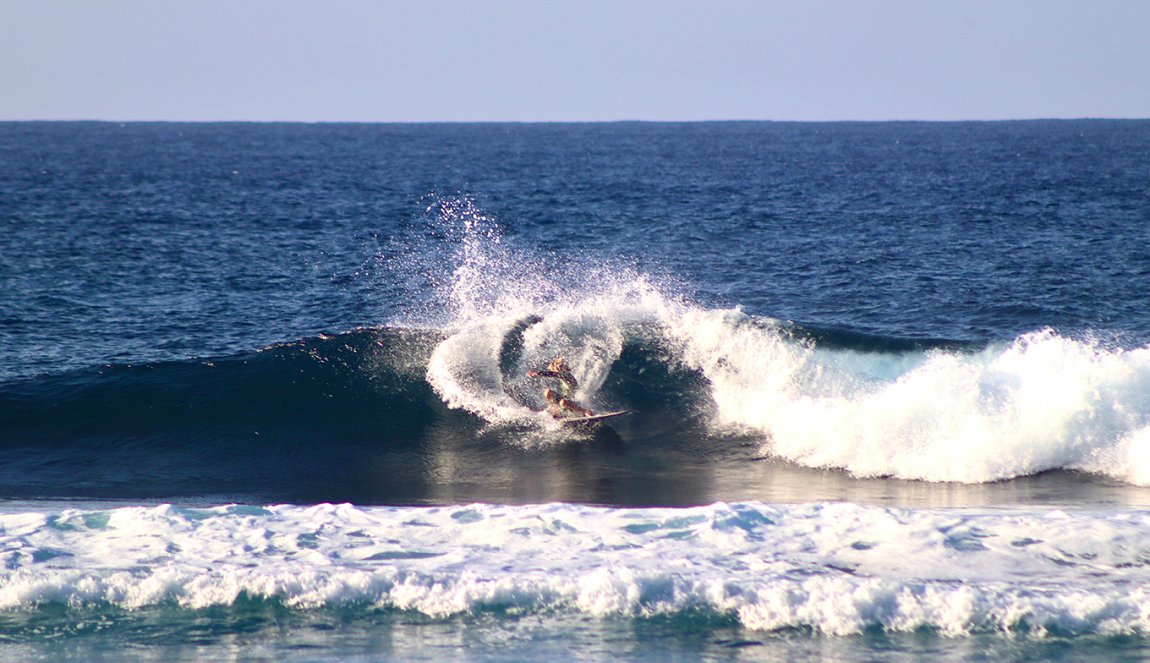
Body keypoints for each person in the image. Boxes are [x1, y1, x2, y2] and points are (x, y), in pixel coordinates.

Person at [526, 357, 595, 417]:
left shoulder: (567, 375)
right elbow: (553, 373)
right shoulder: (561, 375)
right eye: (559, 365)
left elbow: (553, 374)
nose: (561, 367)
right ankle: (555, 409)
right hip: (563, 400)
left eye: (562, 365)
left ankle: (585, 411)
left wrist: (537, 373)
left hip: (571, 402)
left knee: (563, 402)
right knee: (547, 392)